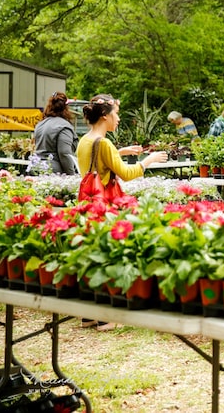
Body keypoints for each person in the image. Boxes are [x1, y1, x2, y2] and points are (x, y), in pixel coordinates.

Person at [76, 93, 168, 330]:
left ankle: (88, 314)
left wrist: (121, 152)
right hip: (106, 205)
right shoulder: (104, 143)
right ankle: (107, 318)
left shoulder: (85, 140)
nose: (117, 119)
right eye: (115, 114)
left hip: (88, 202)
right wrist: (149, 160)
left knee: (92, 255)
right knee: (110, 255)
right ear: (105, 116)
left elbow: (97, 164)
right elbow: (126, 174)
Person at [29, 92, 79, 175]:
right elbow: (64, 153)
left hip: (35, 168)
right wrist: (72, 175)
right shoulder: (64, 126)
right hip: (53, 173)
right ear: (66, 108)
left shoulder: (40, 124)